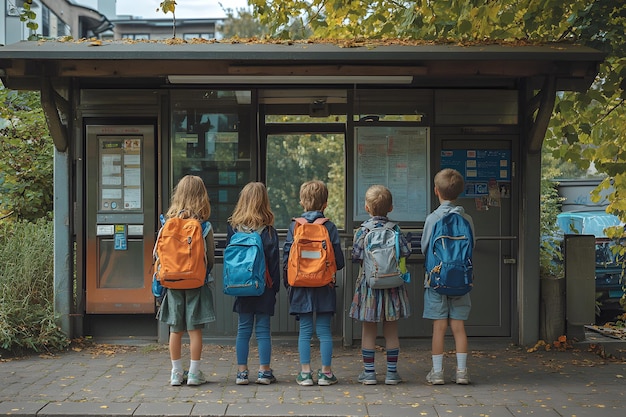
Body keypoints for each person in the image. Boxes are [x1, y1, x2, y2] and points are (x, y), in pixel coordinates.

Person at [283, 180, 345, 386]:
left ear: (302, 202)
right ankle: (326, 374)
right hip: (324, 285)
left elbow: (286, 258)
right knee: (325, 331)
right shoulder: (329, 226)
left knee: (305, 330)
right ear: (325, 204)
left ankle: (305, 373)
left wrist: (289, 282)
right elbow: (339, 260)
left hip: (300, 284)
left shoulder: (295, 226)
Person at [350, 185, 411, 385]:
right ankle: (392, 373)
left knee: (369, 329)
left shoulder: (362, 231)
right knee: (391, 329)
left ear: (366, 208)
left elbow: (356, 256)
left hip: (370, 286)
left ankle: (369, 373)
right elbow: (405, 252)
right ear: (391, 208)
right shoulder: (396, 229)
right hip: (392, 284)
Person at [158, 175, 216, 386]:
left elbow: (159, 255)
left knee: (175, 329)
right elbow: (209, 257)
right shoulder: (204, 226)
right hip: (196, 283)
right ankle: (193, 373)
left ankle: (175, 372)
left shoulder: (167, 224)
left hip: (172, 283)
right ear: (202, 197)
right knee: (194, 330)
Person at [421, 168, 475, 385]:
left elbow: (425, 247)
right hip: (461, 280)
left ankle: (437, 373)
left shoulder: (432, 219)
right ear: (459, 192)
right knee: (459, 327)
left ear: (436, 191)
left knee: (439, 327)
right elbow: (472, 247)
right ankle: (462, 372)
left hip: (436, 281)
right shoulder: (467, 218)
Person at [226, 182, 281, 385]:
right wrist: (275, 287)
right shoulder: (268, 231)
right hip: (263, 287)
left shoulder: (233, 229)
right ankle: (264, 371)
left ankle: (242, 372)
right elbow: (274, 262)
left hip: (241, 285)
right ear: (264, 203)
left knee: (243, 329)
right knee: (263, 330)